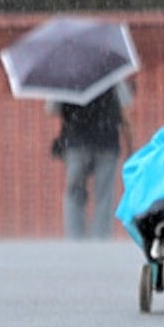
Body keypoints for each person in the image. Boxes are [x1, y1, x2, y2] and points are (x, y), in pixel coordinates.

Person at [50, 82, 130, 239]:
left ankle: (74, 236)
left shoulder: (66, 78)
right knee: (104, 193)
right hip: (106, 141)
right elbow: (126, 101)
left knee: (74, 192)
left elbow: (52, 109)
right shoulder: (111, 74)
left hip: (76, 142)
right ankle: (101, 236)